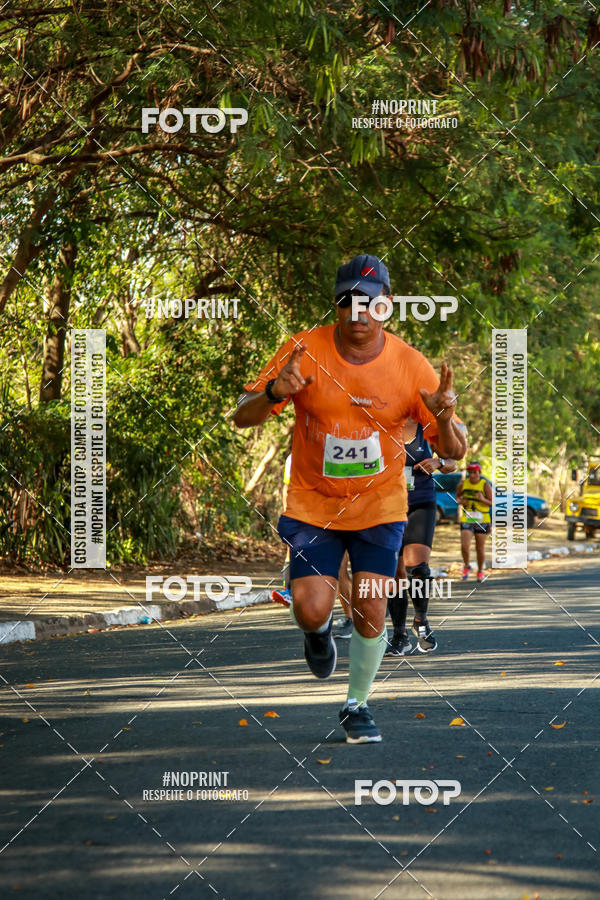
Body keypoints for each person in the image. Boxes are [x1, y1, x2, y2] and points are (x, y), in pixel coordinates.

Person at [234, 254, 466, 743]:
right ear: (336, 304)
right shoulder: (303, 350)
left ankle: (357, 704)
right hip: (314, 503)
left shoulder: (409, 365)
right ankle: (317, 635)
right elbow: (243, 414)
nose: (358, 311)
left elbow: (452, 451)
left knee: (371, 608)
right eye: (347, 301)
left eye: (369, 302)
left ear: (386, 305)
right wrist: (276, 390)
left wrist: (442, 417)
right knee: (311, 607)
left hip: (380, 504)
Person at [386, 418, 458, 656]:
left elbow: (453, 462)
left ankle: (421, 620)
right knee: (394, 574)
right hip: (385, 506)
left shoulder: (426, 426)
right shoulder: (379, 422)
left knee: (418, 568)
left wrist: (438, 462)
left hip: (421, 502)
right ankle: (399, 635)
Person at [457, 461, 492, 582]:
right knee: (465, 546)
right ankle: (467, 566)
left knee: (479, 548)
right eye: (470, 472)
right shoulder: (463, 484)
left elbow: (492, 503)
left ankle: (480, 571)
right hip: (467, 518)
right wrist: (461, 501)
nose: (472, 475)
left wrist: (482, 499)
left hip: (483, 519)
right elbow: (458, 497)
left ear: (479, 473)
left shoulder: (485, 485)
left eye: (475, 473)